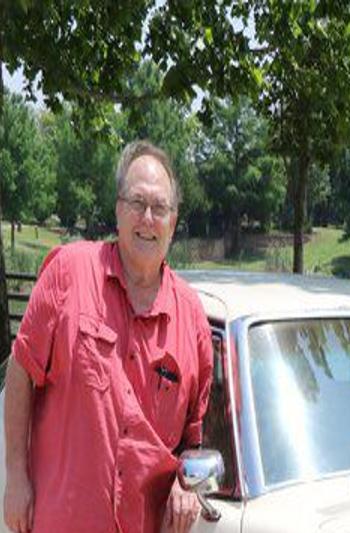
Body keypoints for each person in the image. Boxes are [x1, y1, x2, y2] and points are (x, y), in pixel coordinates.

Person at [3, 141, 214, 533]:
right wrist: (15, 476)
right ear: (118, 209)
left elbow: (194, 436)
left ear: (173, 221)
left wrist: (185, 484)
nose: (147, 218)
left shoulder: (192, 319)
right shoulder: (68, 273)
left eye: (160, 207)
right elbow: (21, 370)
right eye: (137, 202)